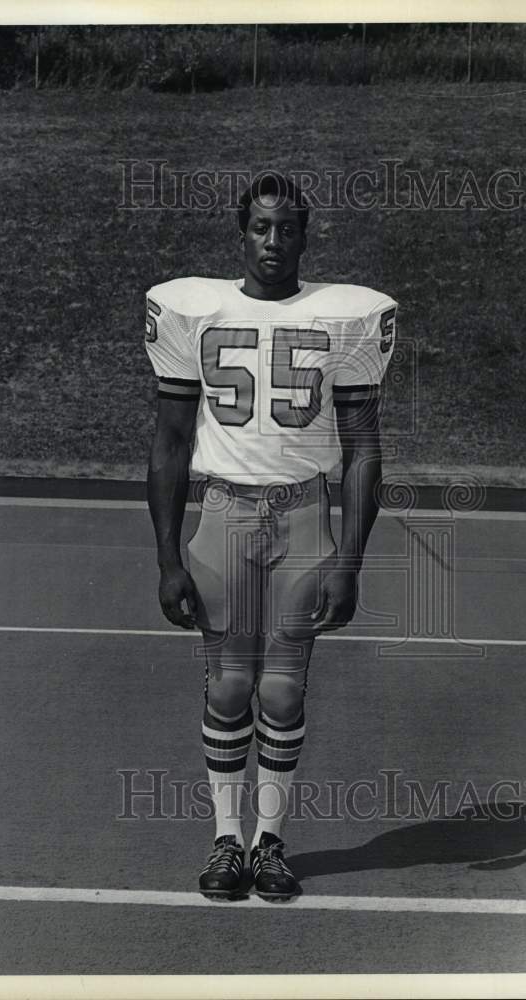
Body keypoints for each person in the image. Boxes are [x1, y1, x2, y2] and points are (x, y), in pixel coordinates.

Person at [144, 172, 397, 901]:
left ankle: (271, 843)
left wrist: (350, 561)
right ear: (241, 230)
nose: (273, 241)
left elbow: (364, 448)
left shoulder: (342, 318)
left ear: (305, 234)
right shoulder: (195, 310)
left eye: (287, 228)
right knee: (227, 686)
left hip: (303, 517)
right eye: (261, 227)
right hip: (222, 513)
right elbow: (168, 440)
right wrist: (166, 556)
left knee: (282, 693)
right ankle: (227, 842)